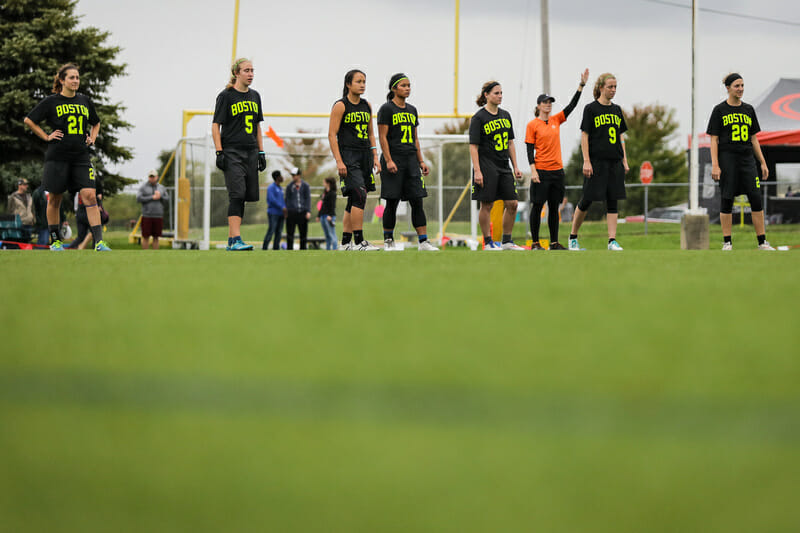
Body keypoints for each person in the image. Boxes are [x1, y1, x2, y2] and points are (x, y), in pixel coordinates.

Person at [23, 63, 110, 251]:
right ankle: (55, 241)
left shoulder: (85, 101)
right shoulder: (51, 102)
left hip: (81, 157)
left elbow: (96, 123)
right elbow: (29, 120)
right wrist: (46, 136)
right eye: (71, 77)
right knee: (55, 199)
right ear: (62, 80)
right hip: (57, 158)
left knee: (90, 195)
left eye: (77, 77)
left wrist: (92, 138)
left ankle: (99, 242)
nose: (75, 81)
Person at [707, 73, 774, 251]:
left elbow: (754, 139)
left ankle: (762, 242)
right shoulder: (719, 110)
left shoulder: (749, 109)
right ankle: (727, 242)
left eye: (742, 85)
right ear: (728, 88)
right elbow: (714, 139)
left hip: (747, 159)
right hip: (728, 159)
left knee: (756, 198)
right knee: (727, 198)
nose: (741, 89)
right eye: (737, 86)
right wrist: (715, 164)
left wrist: (762, 162)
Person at [525, 69, 589, 250]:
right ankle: (536, 243)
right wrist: (533, 170)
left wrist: (581, 86)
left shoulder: (555, 120)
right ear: (538, 106)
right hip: (541, 171)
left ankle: (553, 242)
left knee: (554, 207)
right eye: (545, 102)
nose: (548, 105)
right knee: (537, 206)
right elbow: (529, 148)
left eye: (550, 102)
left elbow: (571, 106)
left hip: (557, 171)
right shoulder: (533, 125)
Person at [568, 73, 629, 251]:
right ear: (601, 87)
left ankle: (612, 241)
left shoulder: (617, 110)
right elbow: (584, 135)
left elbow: (620, 136)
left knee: (613, 200)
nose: (613, 90)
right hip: (596, 162)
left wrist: (624, 159)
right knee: (587, 199)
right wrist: (586, 161)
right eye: (610, 87)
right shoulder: (591, 109)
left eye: (615, 87)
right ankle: (573, 237)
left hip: (615, 161)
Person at [377, 73, 438, 251]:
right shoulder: (387, 109)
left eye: (409, 85)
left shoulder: (412, 110)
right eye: (403, 85)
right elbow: (382, 137)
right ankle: (388, 240)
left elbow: (415, 139)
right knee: (392, 201)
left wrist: (421, 161)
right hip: (394, 158)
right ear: (394, 88)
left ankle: (423, 242)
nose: (407, 88)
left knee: (417, 200)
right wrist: (388, 160)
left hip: (411, 159)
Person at [212, 57, 267, 251]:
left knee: (244, 196)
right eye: (246, 70)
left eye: (252, 70)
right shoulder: (226, 96)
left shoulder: (255, 96)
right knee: (237, 194)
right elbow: (215, 125)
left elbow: (258, 126)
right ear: (236, 73)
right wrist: (219, 152)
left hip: (251, 151)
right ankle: (236, 239)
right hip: (232, 151)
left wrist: (261, 151)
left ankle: (231, 241)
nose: (250, 74)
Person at [328, 69, 381, 251]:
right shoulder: (341, 105)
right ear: (348, 84)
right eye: (358, 81)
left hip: (365, 154)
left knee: (354, 199)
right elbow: (332, 135)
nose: (362, 84)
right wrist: (339, 161)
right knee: (359, 194)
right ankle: (359, 242)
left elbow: (371, 133)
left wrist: (375, 156)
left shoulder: (367, 105)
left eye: (364, 81)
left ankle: (345, 243)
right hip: (348, 155)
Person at [469, 81, 524, 250]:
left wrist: (515, 166)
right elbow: (473, 146)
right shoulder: (478, 118)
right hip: (486, 166)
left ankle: (507, 241)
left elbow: (510, 143)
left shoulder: (506, 115)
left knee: (512, 204)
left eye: (501, 93)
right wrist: (477, 171)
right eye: (496, 93)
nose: (500, 96)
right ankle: (487, 242)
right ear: (486, 95)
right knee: (487, 205)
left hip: (504, 166)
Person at [136, 169, 170, 250]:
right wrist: (152, 197)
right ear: (148, 177)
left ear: (157, 177)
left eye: (153, 177)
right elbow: (138, 198)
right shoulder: (143, 187)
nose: (152, 178)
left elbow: (167, 199)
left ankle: (155, 255)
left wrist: (160, 197)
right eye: (150, 177)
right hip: (147, 216)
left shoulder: (161, 188)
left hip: (158, 216)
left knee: (156, 237)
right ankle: (145, 254)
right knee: (145, 236)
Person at [284, 167, 311, 250]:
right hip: (292, 213)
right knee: (290, 234)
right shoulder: (289, 186)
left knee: (303, 234)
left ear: (299, 175)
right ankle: (289, 250)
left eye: (294, 175)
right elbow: (287, 199)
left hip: (302, 212)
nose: (293, 177)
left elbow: (307, 199)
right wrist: (287, 211)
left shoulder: (305, 186)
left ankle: (303, 250)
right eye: (292, 175)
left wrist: (308, 211)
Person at [262, 170, 286, 250]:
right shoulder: (271, 187)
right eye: (280, 175)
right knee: (271, 230)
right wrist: (281, 207)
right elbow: (272, 200)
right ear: (277, 177)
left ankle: (276, 248)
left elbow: (282, 200)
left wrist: (285, 208)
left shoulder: (280, 188)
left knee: (279, 232)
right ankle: (265, 248)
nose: (282, 177)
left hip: (281, 213)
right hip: (273, 213)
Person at [317, 176, 338, 250]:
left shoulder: (332, 193)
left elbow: (333, 206)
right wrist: (318, 215)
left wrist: (330, 215)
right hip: (323, 215)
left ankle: (335, 248)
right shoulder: (325, 193)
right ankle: (328, 249)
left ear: (328, 183)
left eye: (324, 182)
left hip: (329, 216)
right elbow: (322, 205)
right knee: (327, 235)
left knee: (332, 234)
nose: (323, 184)